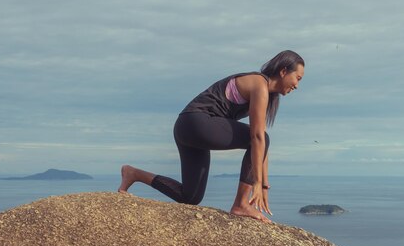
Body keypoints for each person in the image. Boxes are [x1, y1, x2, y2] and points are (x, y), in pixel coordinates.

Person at [118, 50, 305, 223]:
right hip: (197, 123)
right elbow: (257, 137)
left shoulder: (266, 93)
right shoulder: (259, 84)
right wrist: (256, 182)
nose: (297, 85)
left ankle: (133, 173)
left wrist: (264, 186)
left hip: (187, 128)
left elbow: (261, 145)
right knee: (260, 137)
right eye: (297, 78)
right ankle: (240, 204)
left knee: (190, 197)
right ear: (283, 71)